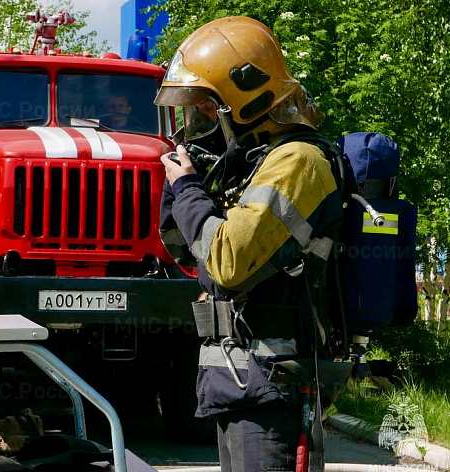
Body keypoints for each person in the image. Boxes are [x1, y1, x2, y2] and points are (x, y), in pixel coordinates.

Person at [155, 17, 343, 472]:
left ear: (246, 99)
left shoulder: (298, 162)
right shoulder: (251, 164)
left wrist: (188, 191)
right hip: (236, 381)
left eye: (204, 109)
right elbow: (188, 252)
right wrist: (183, 186)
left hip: (274, 384)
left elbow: (227, 263)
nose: (195, 123)